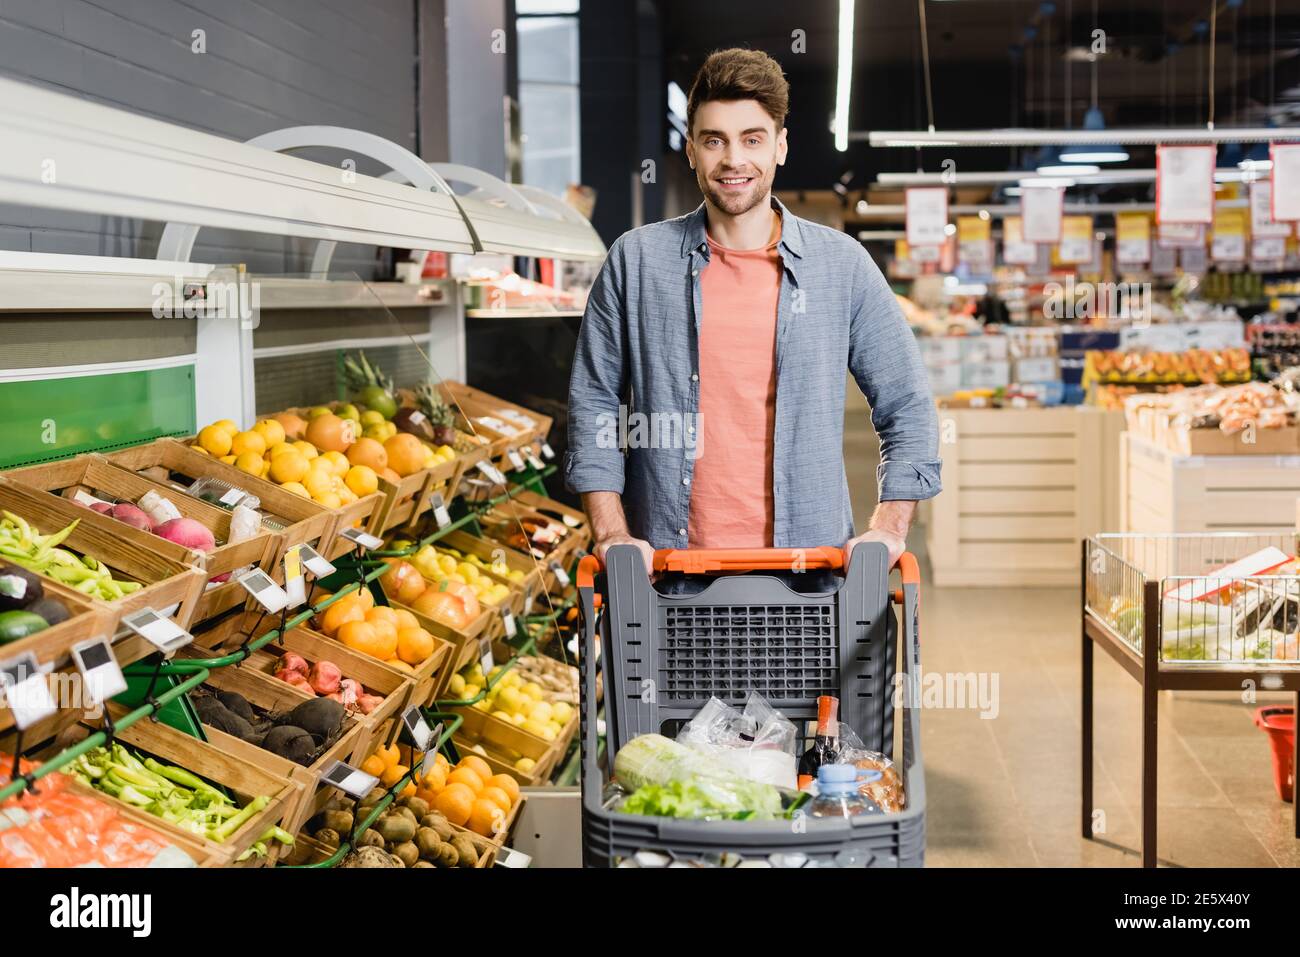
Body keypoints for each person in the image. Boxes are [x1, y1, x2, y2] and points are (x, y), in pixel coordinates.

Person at [566, 47, 941, 580]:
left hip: (807, 576)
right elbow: (595, 403)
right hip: (667, 577)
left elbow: (907, 404)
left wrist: (889, 527)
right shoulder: (636, 261)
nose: (733, 159)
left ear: (780, 147)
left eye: (752, 139)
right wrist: (612, 534)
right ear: (692, 149)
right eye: (714, 139)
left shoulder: (841, 266)